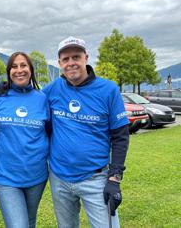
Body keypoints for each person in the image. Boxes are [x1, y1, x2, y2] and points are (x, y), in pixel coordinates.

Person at [43, 36, 130, 228]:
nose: (71, 63)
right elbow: (28, 99)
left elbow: (120, 136)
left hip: (96, 178)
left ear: (86, 58)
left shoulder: (108, 90)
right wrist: (7, 87)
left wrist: (114, 178)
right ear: (59, 63)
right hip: (59, 178)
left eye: (76, 57)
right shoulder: (52, 89)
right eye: (65, 59)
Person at [0, 52, 49, 228]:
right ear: (9, 72)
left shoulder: (42, 99)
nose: (19, 70)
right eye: (14, 66)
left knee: (30, 222)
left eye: (23, 65)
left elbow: (50, 131)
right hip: (6, 177)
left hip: (36, 176)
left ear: (31, 70)